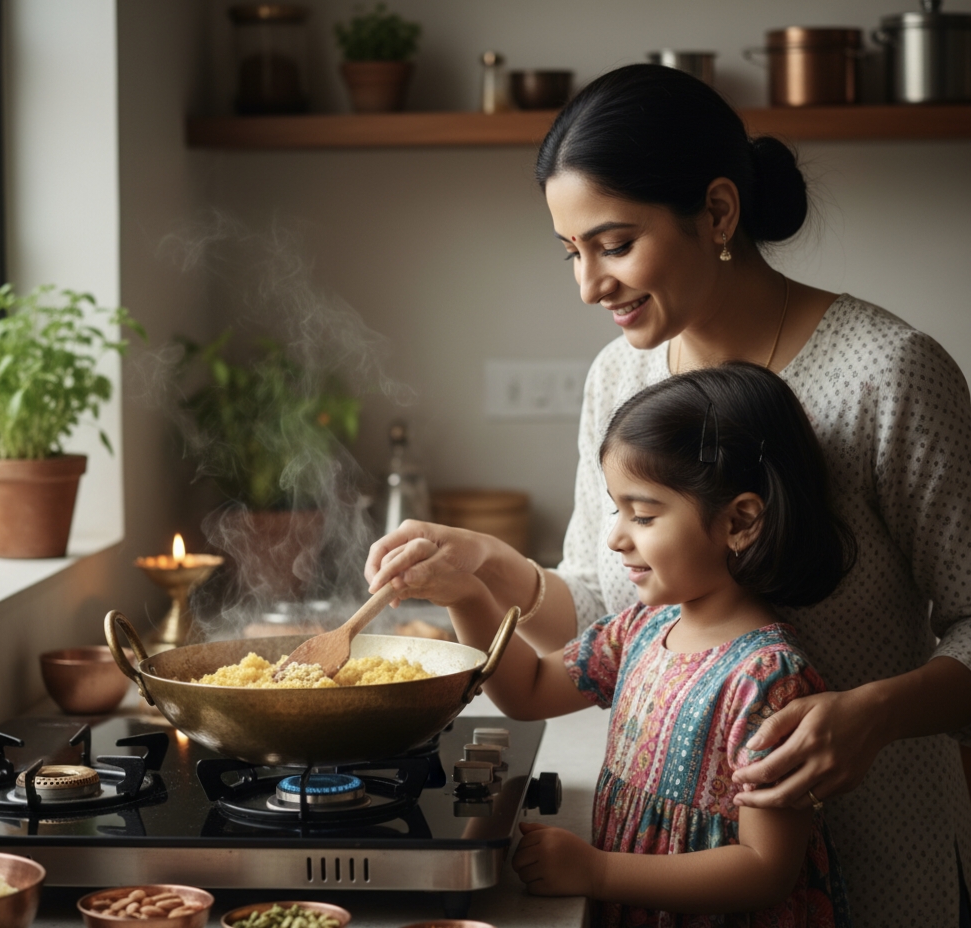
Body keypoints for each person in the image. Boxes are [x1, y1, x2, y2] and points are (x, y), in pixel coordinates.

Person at [366, 64, 971, 926]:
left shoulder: (889, 374)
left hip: (881, 851)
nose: (588, 285)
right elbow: (609, 611)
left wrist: (873, 714)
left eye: (614, 243)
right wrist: (489, 570)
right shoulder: (620, 376)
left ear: (718, 212)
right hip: (663, 883)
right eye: (571, 252)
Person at [390, 363, 856, 926]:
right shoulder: (640, 628)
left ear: (741, 522)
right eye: (617, 510)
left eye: (643, 514)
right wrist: (464, 594)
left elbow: (766, 868)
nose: (614, 537)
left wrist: (598, 872)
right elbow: (529, 690)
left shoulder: (768, 681)